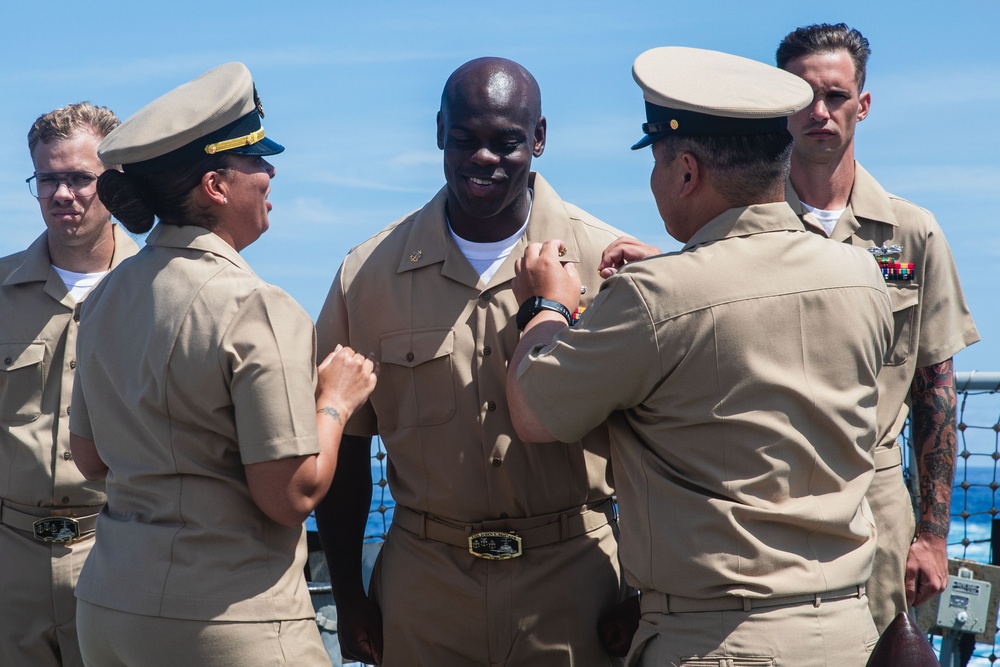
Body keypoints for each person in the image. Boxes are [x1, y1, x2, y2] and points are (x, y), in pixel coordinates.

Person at [507, 46, 894, 666]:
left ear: (686, 171)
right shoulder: (859, 272)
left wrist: (546, 307)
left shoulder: (657, 296)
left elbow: (533, 411)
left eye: (657, 165)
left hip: (721, 641)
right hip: (847, 628)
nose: (656, 182)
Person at [314, 56, 628, 666]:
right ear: (438, 132)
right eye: (463, 139)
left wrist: (646, 586)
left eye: (506, 141)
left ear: (538, 138)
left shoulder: (609, 265)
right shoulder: (368, 275)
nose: (483, 158)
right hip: (426, 590)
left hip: (575, 582)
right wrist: (350, 596)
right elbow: (348, 450)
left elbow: (653, 441)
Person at [67, 62, 378, 666]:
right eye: (256, 160)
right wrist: (335, 401)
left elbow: (89, 456)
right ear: (215, 185)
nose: (271, 173)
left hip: (110, 609)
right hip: (226, 620)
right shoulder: (256, 306)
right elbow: (290, 494)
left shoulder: (106, 296)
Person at [776, 23, 980, 632]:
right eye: (801, 95)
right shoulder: (740, 229)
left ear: (862, 105)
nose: (819, 111)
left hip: (877, 503)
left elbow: (935, 389)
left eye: (835, 95)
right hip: (767, 504)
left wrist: (933, 538)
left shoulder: (911, 235)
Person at [0, 102, 138, 667]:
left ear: (115, 181)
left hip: (119, 556)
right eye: (48, 179)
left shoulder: (160, 293)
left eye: (80, 178)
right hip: (11, 568)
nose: (63, 195)